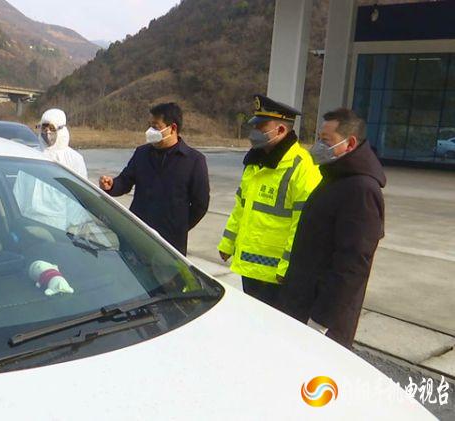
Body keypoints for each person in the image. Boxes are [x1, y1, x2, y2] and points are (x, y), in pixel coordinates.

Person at [280, 109, 385, 348]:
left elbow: (353, 264)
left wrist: (321, 321)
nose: (318, 146)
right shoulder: (335, 177)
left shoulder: (361, 190)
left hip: (322, 319)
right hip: (302, 302)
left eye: (326, 140)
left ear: (350, 143)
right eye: (318, 138)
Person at [217, 95, 321, 308]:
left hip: (277, 275)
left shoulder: (302, 167)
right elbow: (241, 207)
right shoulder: (254, 162)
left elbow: (303, 225)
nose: (254, 132)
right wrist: (227, 243)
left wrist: (287, 267)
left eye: (261, 127)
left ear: (281, 130)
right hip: (250, 268)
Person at [99, 102, 209, 255]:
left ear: (173, 128)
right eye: (150, 126)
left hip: (170, 245)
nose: (150, 131)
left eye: (156, 127)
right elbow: (125, 180)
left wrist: (179, 227)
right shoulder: (142, 153)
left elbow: (200, 204)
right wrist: (111, 185)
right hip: (137, 236)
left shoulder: (193, 161)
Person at [13, 108, 89, 230]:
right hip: (29, 222)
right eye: (44, 128)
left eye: (52, 128)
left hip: (60, 226)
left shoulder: (74, 159)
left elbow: (79, 197)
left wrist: (73, 227)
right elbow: (20, 191)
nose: (47, 132)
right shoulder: (31, 155)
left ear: (61, 130)